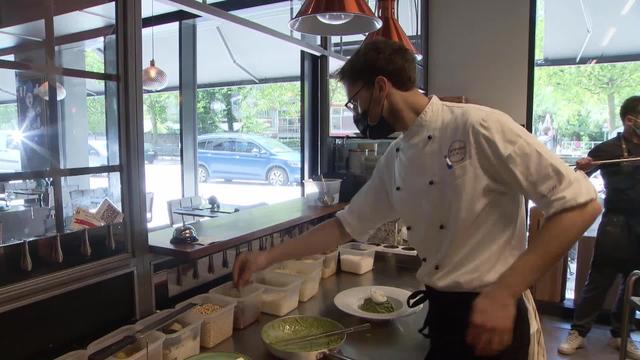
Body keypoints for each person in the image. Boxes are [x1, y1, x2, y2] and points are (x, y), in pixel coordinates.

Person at [233, 39, 601, 360]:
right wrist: (266, 257)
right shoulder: (397, 155)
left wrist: (504, 294)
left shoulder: (479, 126)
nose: (356, 114)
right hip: (443, 315)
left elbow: (582, 205)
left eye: (354, 102)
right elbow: (344, 226)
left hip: (495, 313)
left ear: (380, 87)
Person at [558, 95, 640, 359]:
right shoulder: (608, 149)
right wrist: (583, 166)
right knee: (600, 281)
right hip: (615, 224)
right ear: (630, 120)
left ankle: (622, 334)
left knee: (634, 284)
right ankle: (579, 333)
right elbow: (577, 178)